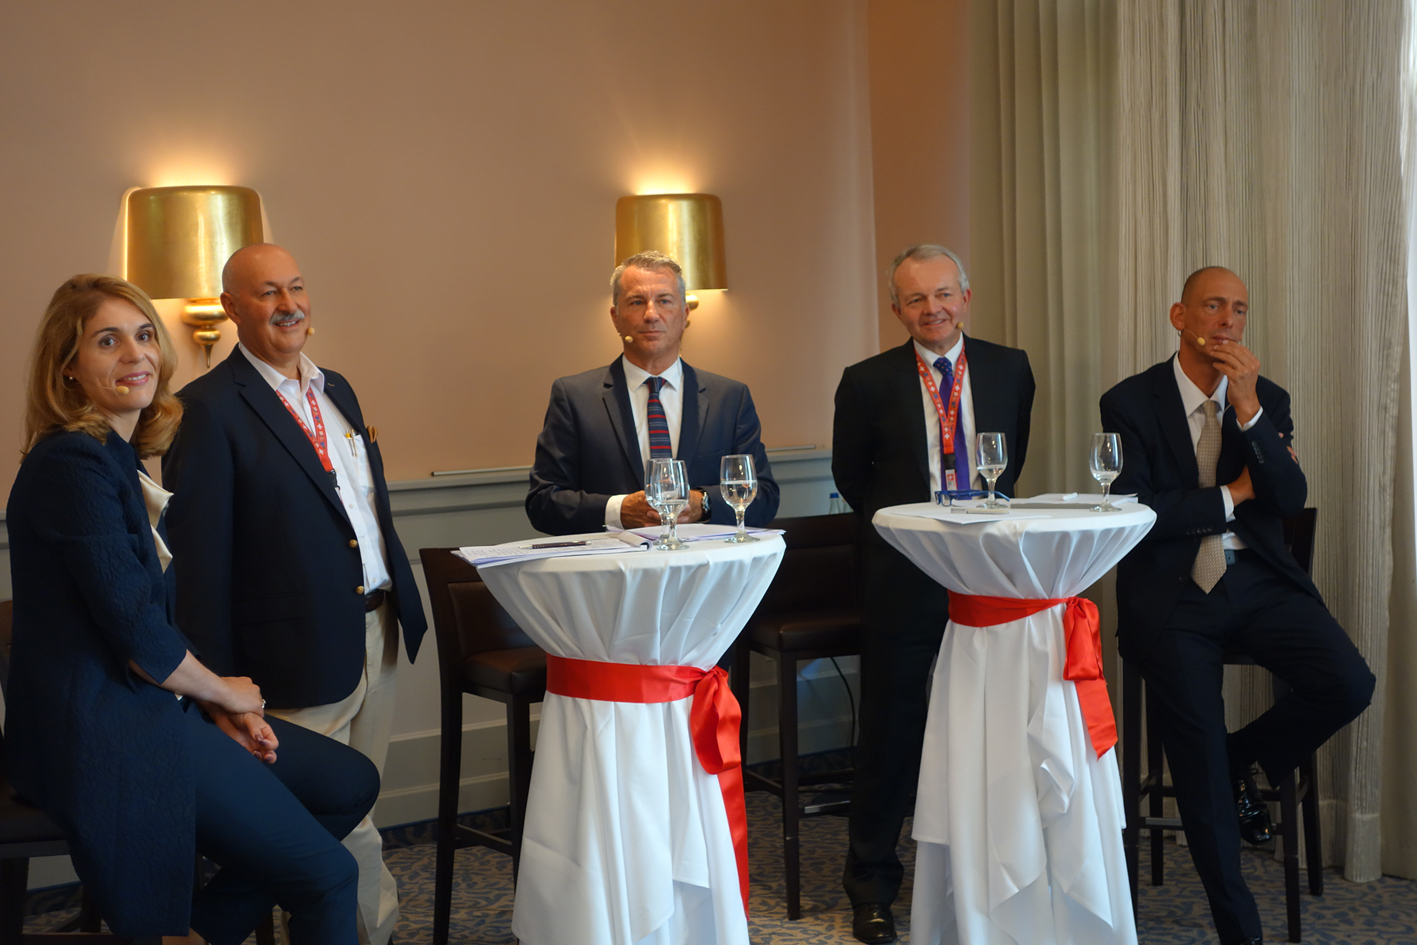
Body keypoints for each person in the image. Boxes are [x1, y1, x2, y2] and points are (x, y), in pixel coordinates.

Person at [6, 274, 379, 944]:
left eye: (145, 335)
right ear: (68, 367)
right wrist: (226, 693)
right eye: (107, 341)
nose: (136, 354)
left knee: (347, 780)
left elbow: (149, 620)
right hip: (106, 728)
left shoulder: (115, 457)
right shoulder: (71, 464)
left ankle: (202, 931)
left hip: (150, 705)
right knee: (327, 878)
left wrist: (208, 702)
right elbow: (138, 634)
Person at [1100, 266, 1375, 945]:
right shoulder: (1128, 401)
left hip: (1254, 580)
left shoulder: (1267, 397)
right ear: (1178, 314)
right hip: (1170, 593)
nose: (1226, 321)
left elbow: (1284, 496)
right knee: (1193, 758)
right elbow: (1133, 512)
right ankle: (1239, 931)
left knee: (1347, 680)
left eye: (1238, 311)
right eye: (1212, 306)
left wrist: (1248, 411)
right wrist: (1228, 496)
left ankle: (1237, 756)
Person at [162, 244, 427, 945]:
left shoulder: (336, 387)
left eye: (297, 287)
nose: (289, 304)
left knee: (352, 805)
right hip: (289, 651)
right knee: (337, 822)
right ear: (231, 308)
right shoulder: (205, 409)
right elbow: (199, 566)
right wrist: (217, 687)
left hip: (376, 630)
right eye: (267, 292)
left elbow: (361, 513)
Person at [832, 244, 1035, 944]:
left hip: (985, 576)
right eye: (916, 299)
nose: (932, 309)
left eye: (943, 294)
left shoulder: (1010, 367)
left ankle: (985, 878)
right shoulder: (864, 382)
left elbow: (1010, 464)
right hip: (902, 577)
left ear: (966, 296)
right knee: (889, 733)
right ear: (896, 309)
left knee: (991, 727)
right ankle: (872, 885)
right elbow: (853, 480)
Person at [526, 250, 779, 535]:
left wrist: (704, 503)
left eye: (664, 301)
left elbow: (765, 497)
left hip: (704, 571)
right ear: (616, 318)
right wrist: (619, 511)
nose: (651, 314)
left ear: (684, 314)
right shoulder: (574, 398)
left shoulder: (730, 399)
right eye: (636, 302)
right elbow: (543, 503)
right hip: (613, 571)